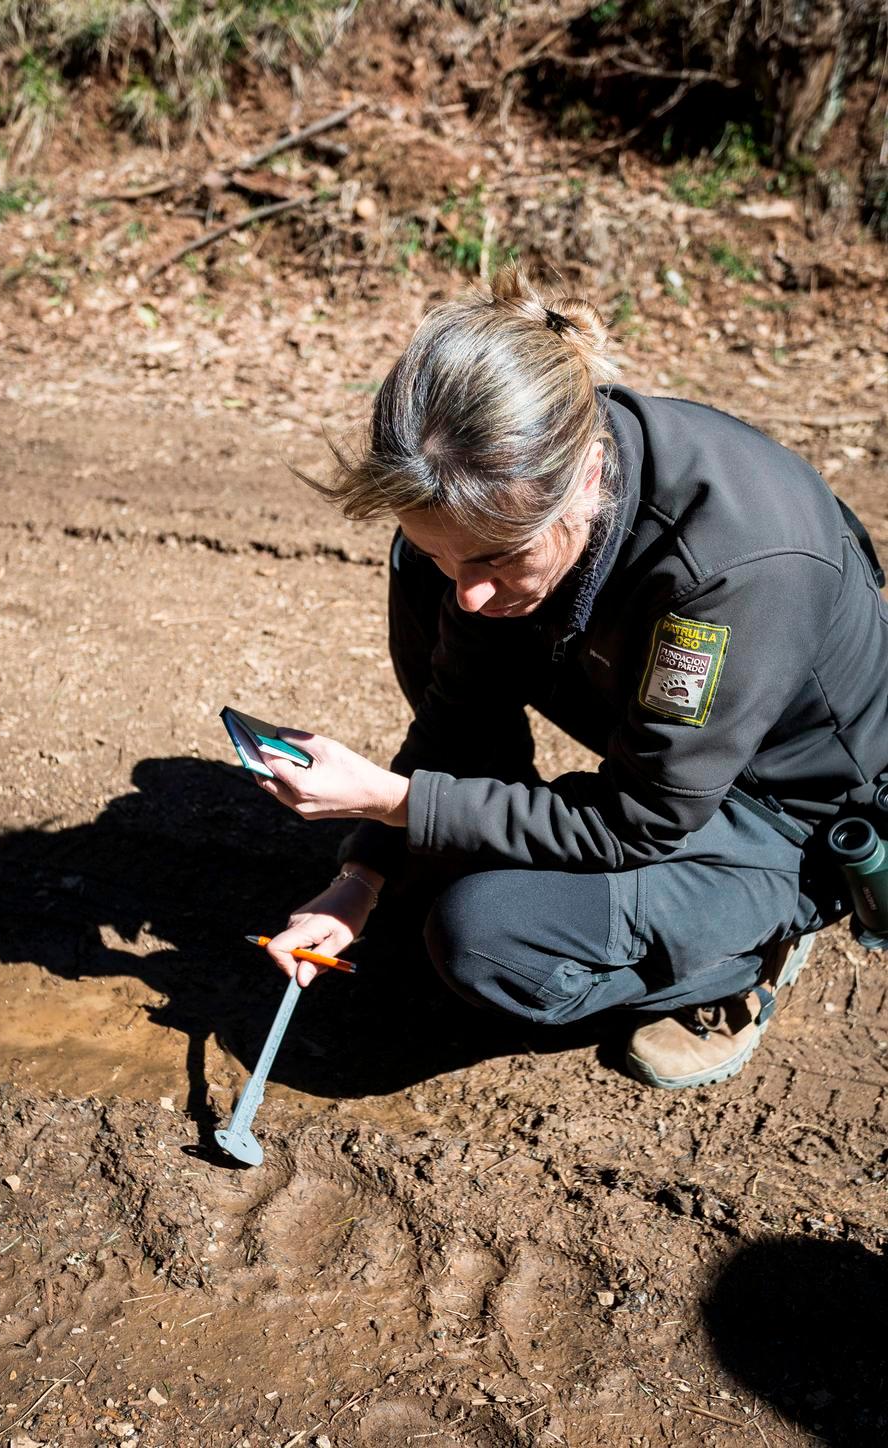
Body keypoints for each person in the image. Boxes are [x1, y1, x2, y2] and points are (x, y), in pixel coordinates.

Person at [249, 262, 888, 1090]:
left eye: (494, 557)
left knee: (485, 938)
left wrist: (395, 801)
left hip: (781, 809)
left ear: (587, 476)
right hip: (658, 739)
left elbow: (640, 820)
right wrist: (363, 873)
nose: (468, 590)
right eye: (453, 554)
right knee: (421, 575)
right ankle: (495, 851)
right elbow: (459, 713)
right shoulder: (516, 503)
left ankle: (746, 948)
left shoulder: (730, 572)